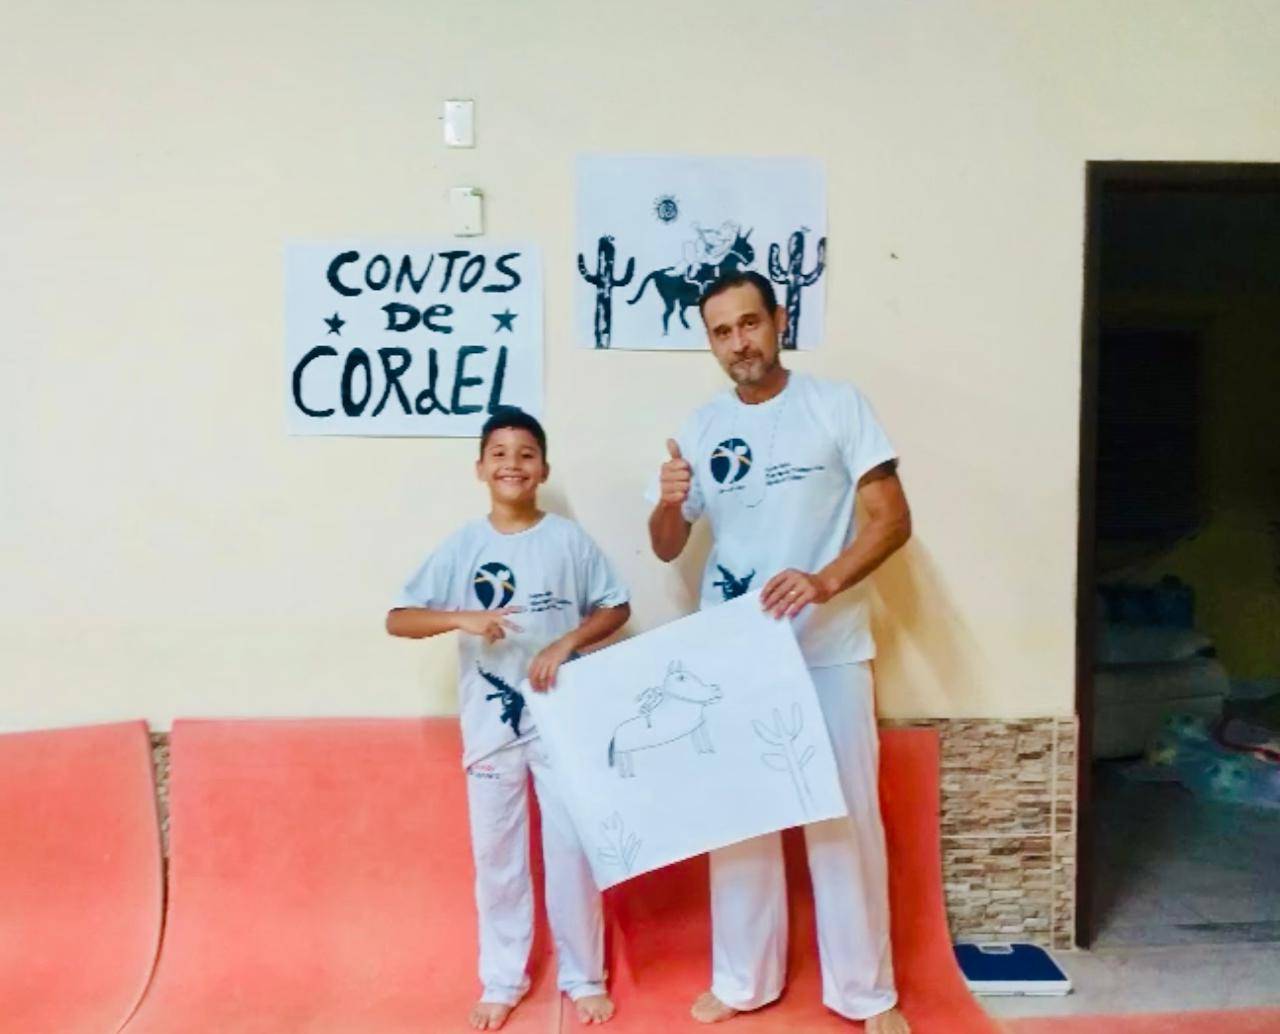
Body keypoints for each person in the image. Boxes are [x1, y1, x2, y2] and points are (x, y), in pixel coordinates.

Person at [646, 271, 912, 1033]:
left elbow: (892, 520)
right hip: (734, 656)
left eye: (750, 323)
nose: (740, 342)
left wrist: (825, 581)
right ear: (710, 343)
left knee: (842, 820)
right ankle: (743, 981)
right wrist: (669, 501)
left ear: (778, 320)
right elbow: (666, 547)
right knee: (741, 819)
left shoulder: (837, 405)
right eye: (722, 332)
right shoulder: (701, 426)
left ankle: (865, 993)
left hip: (829, 648)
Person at [388, 407, 630, 1031]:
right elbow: (399, 618)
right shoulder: (464, 546)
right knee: (498, 856)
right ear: (480, 468)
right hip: (491, 728)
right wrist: (460, 618)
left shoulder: (568, 541)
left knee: (572, 849)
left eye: (526, 454)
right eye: (499, 453)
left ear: (543, 469)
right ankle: (502, 978)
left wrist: (567, 643)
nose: (512, 464)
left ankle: (584, 976)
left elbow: (616, 606)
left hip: (561, 720)